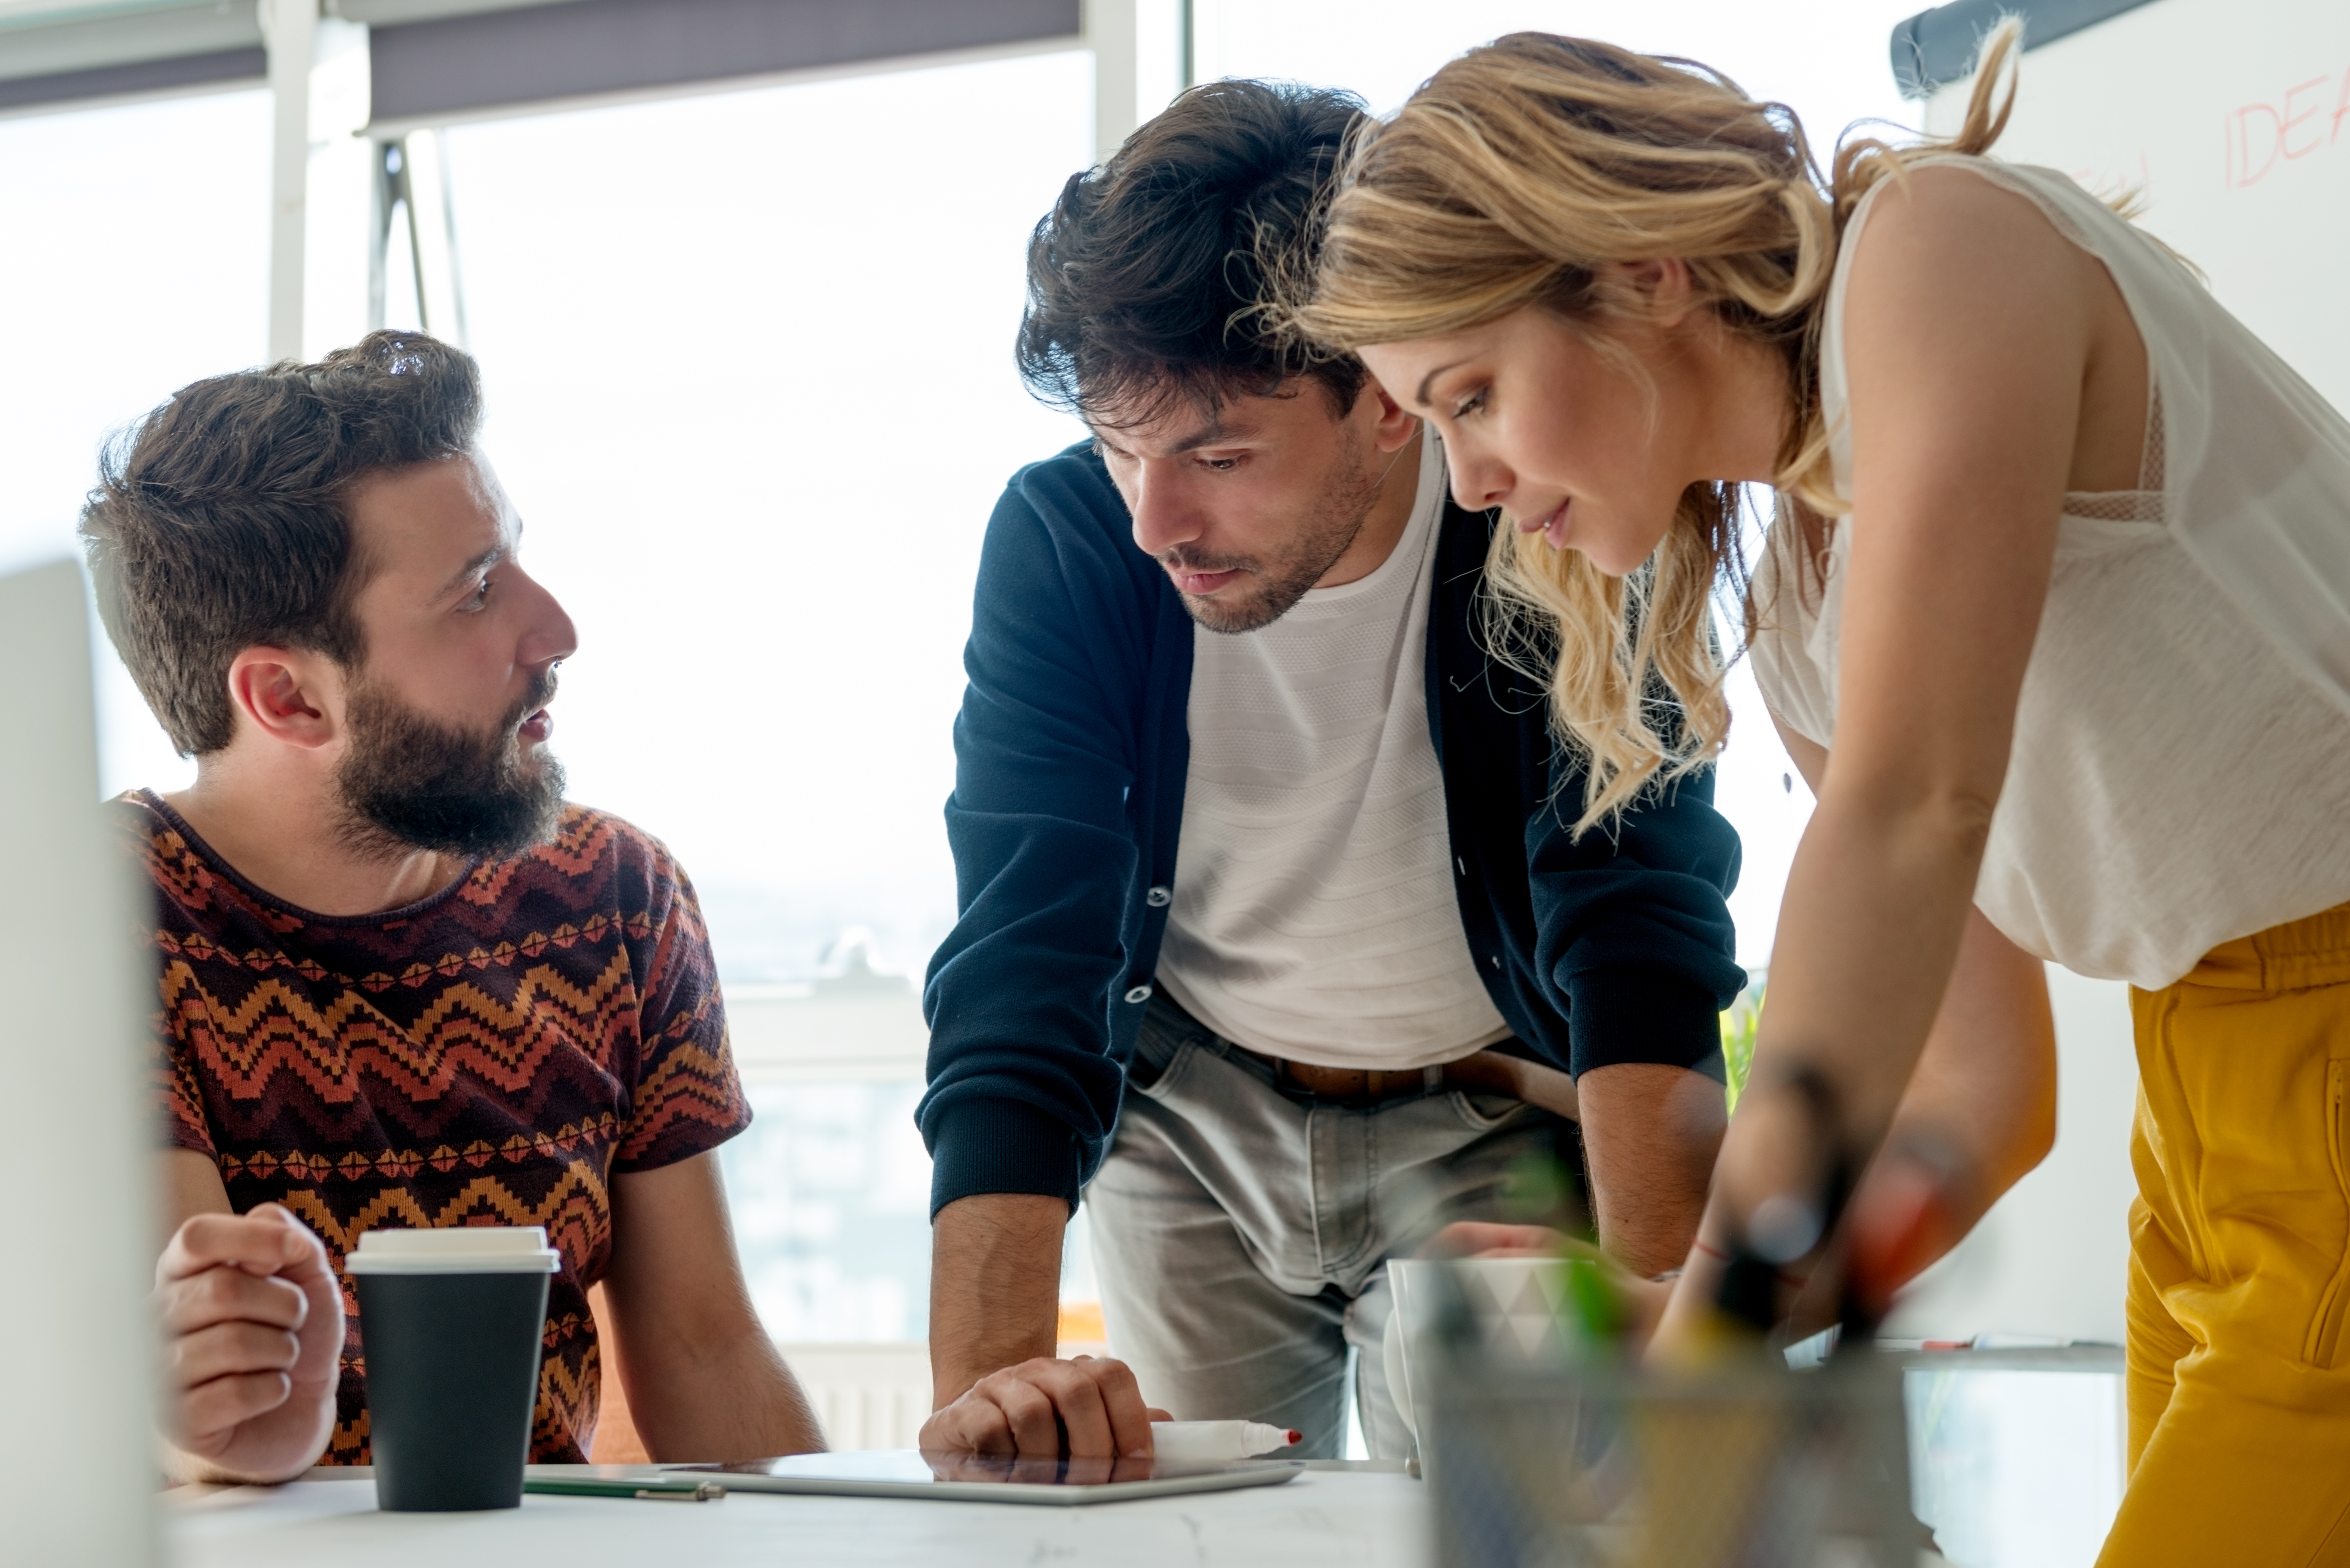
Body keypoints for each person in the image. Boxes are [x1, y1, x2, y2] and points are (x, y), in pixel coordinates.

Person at [1292, 21, 2350, 1561]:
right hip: (2210, 1116)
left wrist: (1719, 1315)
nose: (1470, 484)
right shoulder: (1802, 593)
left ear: (1641, 269)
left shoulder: (1940, 250)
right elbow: (1981, 1091)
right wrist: (1708, 1305)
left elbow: (1918, 810)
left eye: (1471, 394)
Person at [916, 80, 1747, 1463]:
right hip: (1189, 1121)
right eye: (1120, 451)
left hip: (1492, 1110)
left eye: (1217, 453)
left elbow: (1636, 921)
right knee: (1199, 1541)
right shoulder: (1065, 543)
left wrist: (1671, 1326)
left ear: (1382, 394)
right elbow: (1024, 949)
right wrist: (991, 1401)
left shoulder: (1557, 505)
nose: (1153, 521)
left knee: (1537, 1520)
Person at [88, 331, 824, 1485]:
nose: (556, 631)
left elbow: (703, 1347)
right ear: (287, 696)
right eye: (478, 590)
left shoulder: (616, 894)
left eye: (514, 559)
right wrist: (216, 1428)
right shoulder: (87, 922)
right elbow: (196, 1415)